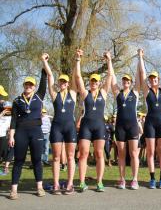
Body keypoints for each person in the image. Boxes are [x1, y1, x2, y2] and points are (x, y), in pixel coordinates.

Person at [8, 60, 49, 199]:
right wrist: (11, 136)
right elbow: (13, 119)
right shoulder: (16, 101)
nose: (29, 86)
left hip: (36, 131)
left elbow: (44, 79)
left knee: (37, 160)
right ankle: (14, 190)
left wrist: (44, 63)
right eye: (27, 84)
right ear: (24, 85)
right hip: (21, 132)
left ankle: (39, 187)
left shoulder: (39, 95)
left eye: (31, 84)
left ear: (34, 86)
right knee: (18, 160)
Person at [74, 49, 112, 192]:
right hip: (86, 126)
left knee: (99, 154)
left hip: (99, 127)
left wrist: (108, 61)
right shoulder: (85, 93)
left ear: (99, 82)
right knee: (83, 153)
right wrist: (78, 60)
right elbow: (77, 77)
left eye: (96, 81)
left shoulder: (103, 93)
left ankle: (99, 182)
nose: (94, 83)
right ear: (89, 83)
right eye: (92, 81)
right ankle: (82, 182)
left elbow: (110, 76)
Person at [41, 53, 78, 194]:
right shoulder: (54, 94)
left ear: (68, 84)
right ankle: (56, 184)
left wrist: (77, 60)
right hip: (56, 127)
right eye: (60, 82)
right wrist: (45, 62)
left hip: (70, 128)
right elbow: (50, 77)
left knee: (70, 157)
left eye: (64, 82)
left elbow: (76, 77)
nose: (62, 84)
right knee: (56, 157)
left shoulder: (73, 93)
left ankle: (69, 184)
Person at [138, 49, 161, 189]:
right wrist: (141, 57)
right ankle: (152, 178)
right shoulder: (147, 91)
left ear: (159, 80)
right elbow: (141, 74)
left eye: (155, 78)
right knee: (151, 151)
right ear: (149, 80)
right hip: (150, 124)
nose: (153, 80)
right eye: (151, 78)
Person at [110, 50, 141, 190]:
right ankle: (122, 179)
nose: (125, 82)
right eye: (124, 80)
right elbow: (112, 78)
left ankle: (134, 179)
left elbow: (139, 77)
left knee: (133, 153)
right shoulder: (118, 93)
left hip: (133, 126)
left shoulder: (135, 93)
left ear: (131, 82)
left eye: (128, 81)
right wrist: (109, 60)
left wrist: (140, 58)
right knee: (121, 154)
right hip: (120, 127)